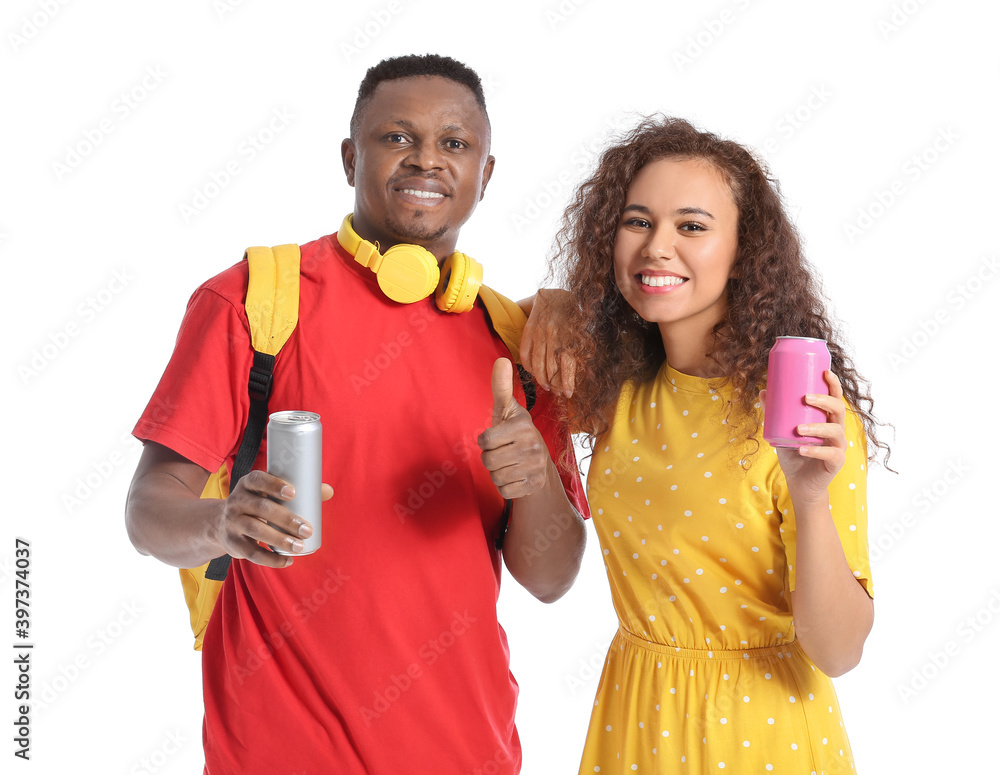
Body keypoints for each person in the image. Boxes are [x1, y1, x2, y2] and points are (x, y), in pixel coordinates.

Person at [124, 54, 588, 775]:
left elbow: (552, 580)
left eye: (455, 143)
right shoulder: (253, 302)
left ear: (486, 175)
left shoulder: (517, 345)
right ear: (350, 157)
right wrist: (224, 523)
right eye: (397, 138)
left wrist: (535, 481)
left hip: (468, 754)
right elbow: (148, 513)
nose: (426, 159)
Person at [519, 116, 889, 773]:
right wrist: (547, 302)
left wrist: (809, 496)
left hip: (760, 733)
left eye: (691, 226)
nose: (658, 246)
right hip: (636, 718)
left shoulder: (800, 415)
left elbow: (838, 651)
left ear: (744, 251)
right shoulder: (617, 389)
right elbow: (474, 337)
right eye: (638, 222)